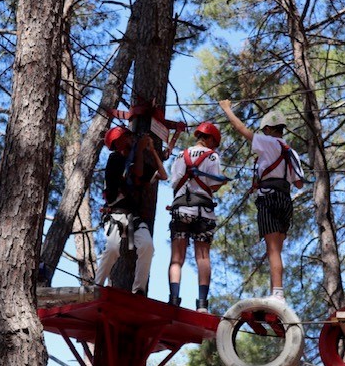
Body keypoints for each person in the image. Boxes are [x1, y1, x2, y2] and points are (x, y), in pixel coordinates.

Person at [219, 100, 304, 302]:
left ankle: (277, 294)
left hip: (269, 199)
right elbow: (299, 183)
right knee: (277, 250)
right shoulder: (292, 152)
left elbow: (241, 129)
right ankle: (276, 292)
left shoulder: (268, 142)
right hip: (285, 199)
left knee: (272, 249)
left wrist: (227, 109)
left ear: (267, 128)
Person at [94, 125, 168, 295]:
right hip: (116, 214)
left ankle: (139, 290)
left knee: (147, 246)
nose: (130, 139)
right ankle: (97, 286)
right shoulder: (115, 160)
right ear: (118, 142)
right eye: (126, 137)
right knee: (112, 248)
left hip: (132, 216)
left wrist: (152, 151)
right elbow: (134, 173)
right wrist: (140, 150)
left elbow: (163, 175)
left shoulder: (135, 159)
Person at [168, 122, 225, 313]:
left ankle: (174, 300)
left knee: (177, 258)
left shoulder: (180, 155)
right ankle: (202, 305)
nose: (214, 147)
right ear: (209, 139)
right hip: (203, 211)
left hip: (181, 208)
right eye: (214, 143)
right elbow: (214, 185)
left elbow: (174, 182)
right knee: (203, 257)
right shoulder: (212, 156)